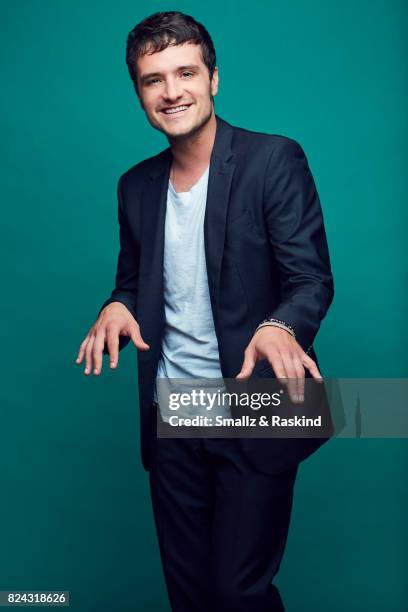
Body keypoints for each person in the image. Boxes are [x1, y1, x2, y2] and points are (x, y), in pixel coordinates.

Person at [76, 11, 334, 611]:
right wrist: (117, 305)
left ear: (213, 79)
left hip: (256, 403)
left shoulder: (273, 160)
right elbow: (135, 281)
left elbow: (310, 277)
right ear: (139, 92)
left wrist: (279, 326)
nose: (172, 92)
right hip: (175, 413)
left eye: (186, 72)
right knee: (190, 595)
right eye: (152, 79)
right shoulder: (135, 187)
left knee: (236, 591)